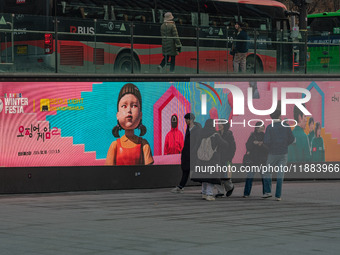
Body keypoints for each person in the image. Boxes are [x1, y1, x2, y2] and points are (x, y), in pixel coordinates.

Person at [106, 83, 154, 166]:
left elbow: (149, 171)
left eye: (134, 106)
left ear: (141, 115)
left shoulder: (144, 144)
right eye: (124, 106)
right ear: (117, 115)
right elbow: (108, 171)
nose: (129, 110)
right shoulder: (115, 146)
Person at [263, 104, 295, 201]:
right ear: (279, 116)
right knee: (280, 174)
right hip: (283, 153)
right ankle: (278, 195)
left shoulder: (269, 127)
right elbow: (292, 139)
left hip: (273, 153)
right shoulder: (286, 125)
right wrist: (284, 144)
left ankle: (268, 192)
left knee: (267, 172)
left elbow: (266, 141)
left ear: (271, 117)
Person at [193, 119, 229, 201]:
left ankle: (204, 193)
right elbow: (225, 144)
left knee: (204, 176)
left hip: (201, 158)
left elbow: (196, 146)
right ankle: (209, 194)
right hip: (212, 159)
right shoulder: (215, 134)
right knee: (211, 177)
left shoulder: (200, 133)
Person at [171, 113, 201, 193]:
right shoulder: (188, 128)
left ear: (190, 120)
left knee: (196, 172)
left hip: (194, 154)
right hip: (187, 153)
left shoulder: (197, 129)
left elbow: (197, 142)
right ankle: (181, 187)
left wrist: (194, 151)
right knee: (186, 170)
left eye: (187, 120)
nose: (186, 121)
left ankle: (207, 186)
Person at [243, 122, 268, 198]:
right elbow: (248, 146)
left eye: (263, 126)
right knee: (250, 176)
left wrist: (261, 145)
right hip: (253, 160)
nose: (263, 127)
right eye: (261, 126)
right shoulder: (252, 136)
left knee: (264, 177)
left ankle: (266, 192)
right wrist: (254, 143)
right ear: (257, 128)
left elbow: (268, 148)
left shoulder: (265, 136)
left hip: (262, 160)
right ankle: (246, 193)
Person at [215, 122, 236, 198]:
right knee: (217, 175)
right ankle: (220, 191)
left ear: (225, 126)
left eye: (221, 124)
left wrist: (230, 157)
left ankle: (230, 187)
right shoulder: (216, 134)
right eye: (219, 124)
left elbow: (233, 147)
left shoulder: (229, 135)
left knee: (226, 176)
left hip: (227, 158)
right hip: (218, 158)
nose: (219, 125)